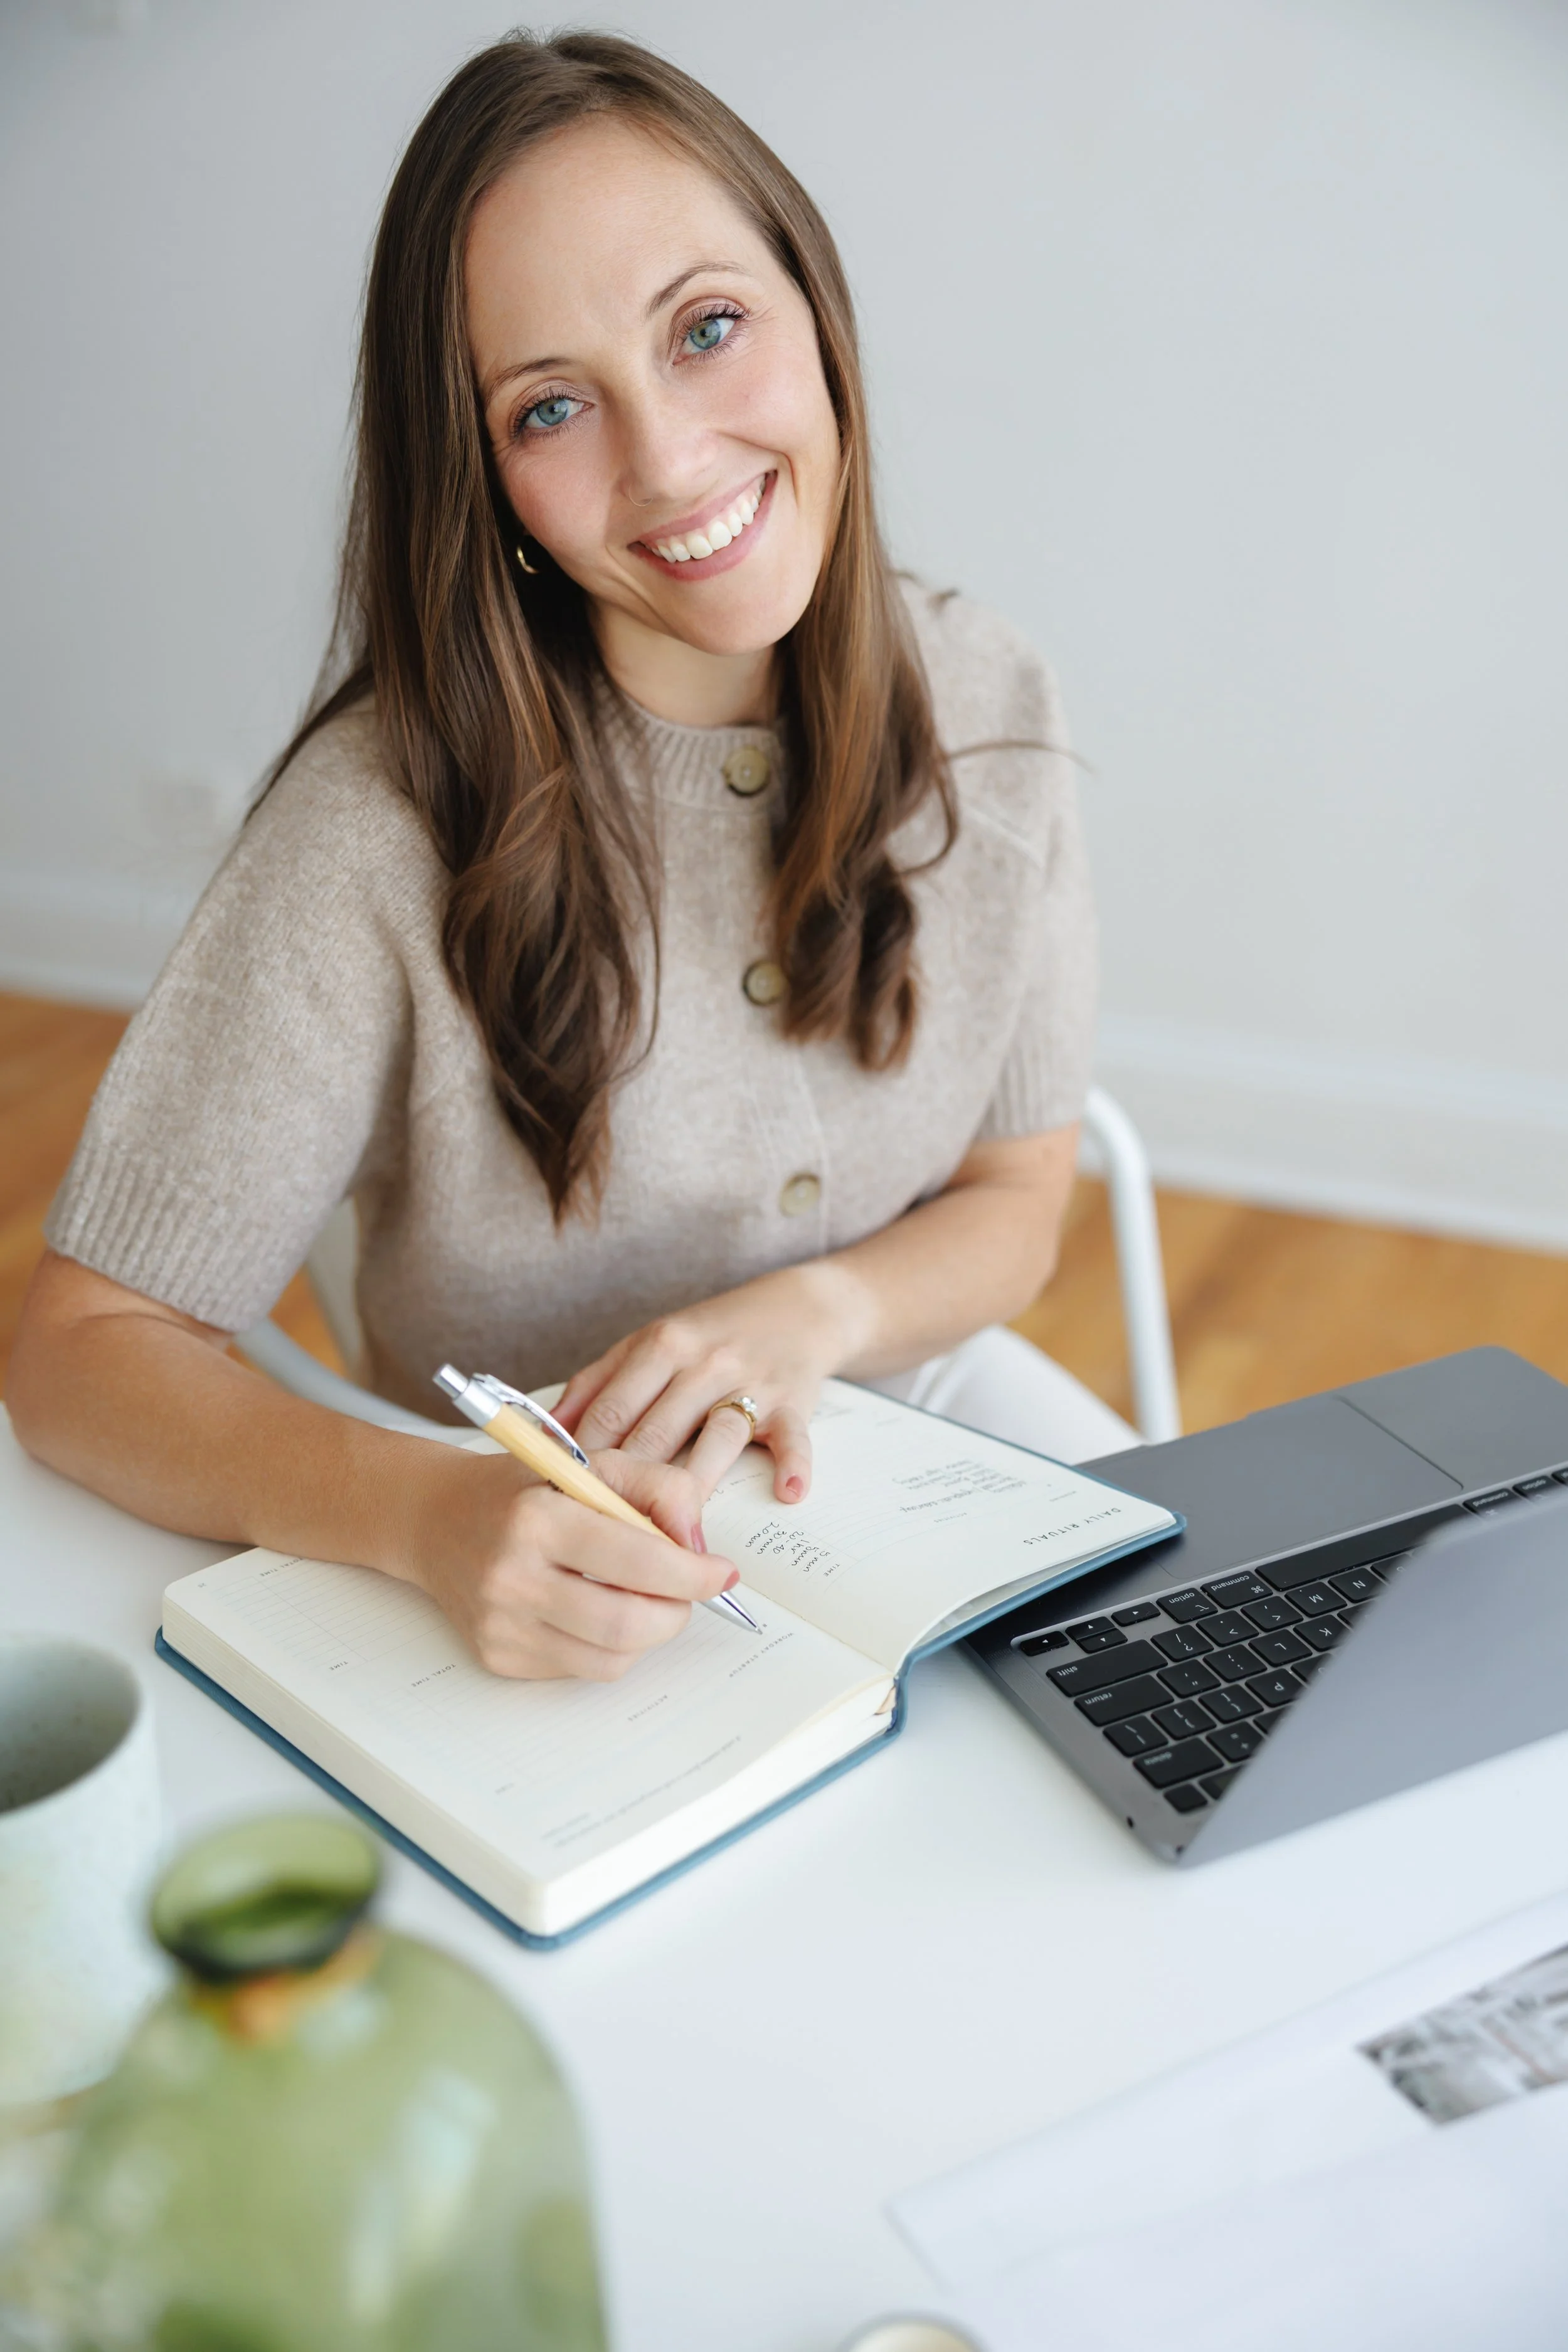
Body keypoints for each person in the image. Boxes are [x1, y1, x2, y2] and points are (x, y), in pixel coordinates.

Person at [10, 31, 1134, 1685]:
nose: (669, 462)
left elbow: (1018, 1195)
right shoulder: (371, 832)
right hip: (549, 1536)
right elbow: (77, 1352)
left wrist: (809, 1315)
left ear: (812, 307)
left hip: (916, 1412)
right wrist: (424, 1513)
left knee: (1199, 1722)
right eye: (551, 405)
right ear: (483, 475)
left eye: (706, 327)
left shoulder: (989, 697)